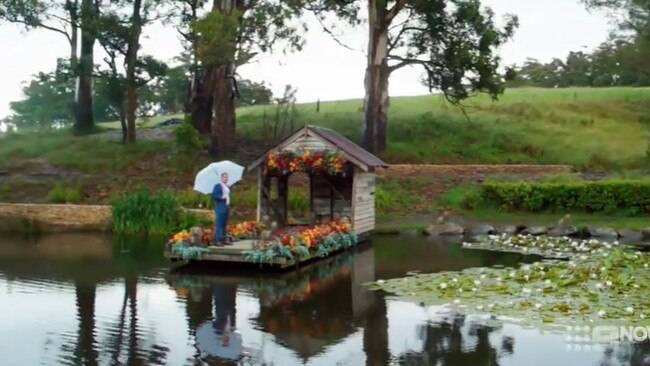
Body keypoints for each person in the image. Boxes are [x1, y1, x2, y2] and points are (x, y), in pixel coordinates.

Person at [212, 172, 231, 246]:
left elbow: (228, 196)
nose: (225, 178)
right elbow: (214, 195)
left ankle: (223, 239)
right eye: (224, 177)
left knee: (224, 223)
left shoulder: (227, 186)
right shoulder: (218, 186)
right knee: (219, 223)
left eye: (226, 177)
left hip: (226, 206)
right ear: (221, 178)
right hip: (220, 206)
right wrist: (221, 197)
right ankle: (217, 240)